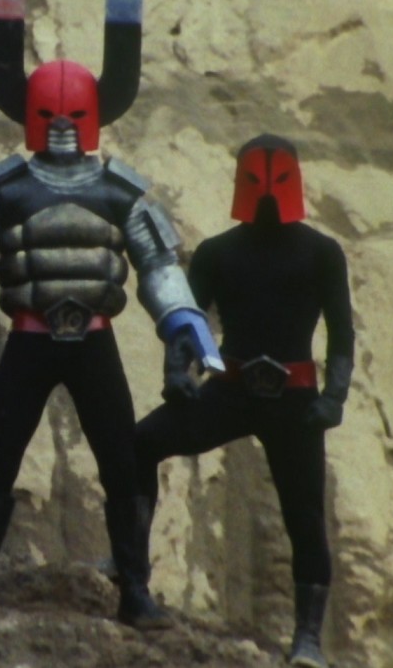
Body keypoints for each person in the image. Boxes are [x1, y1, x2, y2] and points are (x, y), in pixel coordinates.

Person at [0, 0, 222, 630]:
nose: (64, 126)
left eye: (74, 115)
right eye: (51, 114)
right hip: (30, 336)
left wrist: (183, 321)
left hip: (94, 338)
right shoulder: (7, 187)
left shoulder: (120, 190)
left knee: (121, 464)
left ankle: (135, 591)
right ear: (31, 113)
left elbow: (159, 266)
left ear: (94, 113)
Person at [133, 134, 355, 667]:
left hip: (294, 400)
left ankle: (307, 639)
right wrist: (177, 374)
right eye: (257, 178)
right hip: (228, 390)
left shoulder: (322, 254)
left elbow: (342, 334)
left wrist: (334, 397)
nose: (268, 191)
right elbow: (186, 323)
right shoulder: (217, 253)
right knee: (140, 443)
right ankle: (129, 567)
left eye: (278, 179)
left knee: (304, 515)